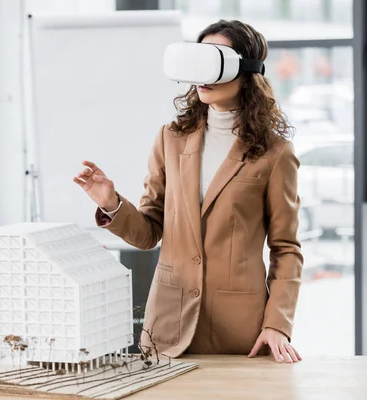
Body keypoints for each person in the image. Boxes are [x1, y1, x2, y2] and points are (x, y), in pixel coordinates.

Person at [73, 19, 303, 363]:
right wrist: (111, 204)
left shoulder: (275, 153)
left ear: (246, 71)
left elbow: (286, 249)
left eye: (215, 60)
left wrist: (277, 324)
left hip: (240, 330)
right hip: (168, 323)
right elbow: (150, 232)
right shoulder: (171, 138)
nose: (202, 73)